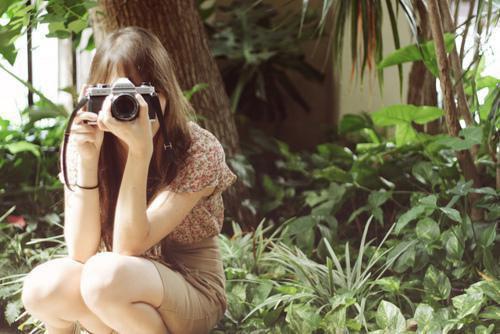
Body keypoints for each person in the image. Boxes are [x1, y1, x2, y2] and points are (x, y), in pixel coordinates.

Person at [21, 26, 238, 334]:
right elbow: (81, 254)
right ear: (93, 97)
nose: (127, 104)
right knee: (42, 288)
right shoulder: (85, 140)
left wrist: (140, 152)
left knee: (104, 276)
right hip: (117, 288)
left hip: (190, 289)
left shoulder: (196, 147)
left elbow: (128, 247)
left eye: (140, 93)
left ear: (163, 94)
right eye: (113, 94)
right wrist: (86, 159)